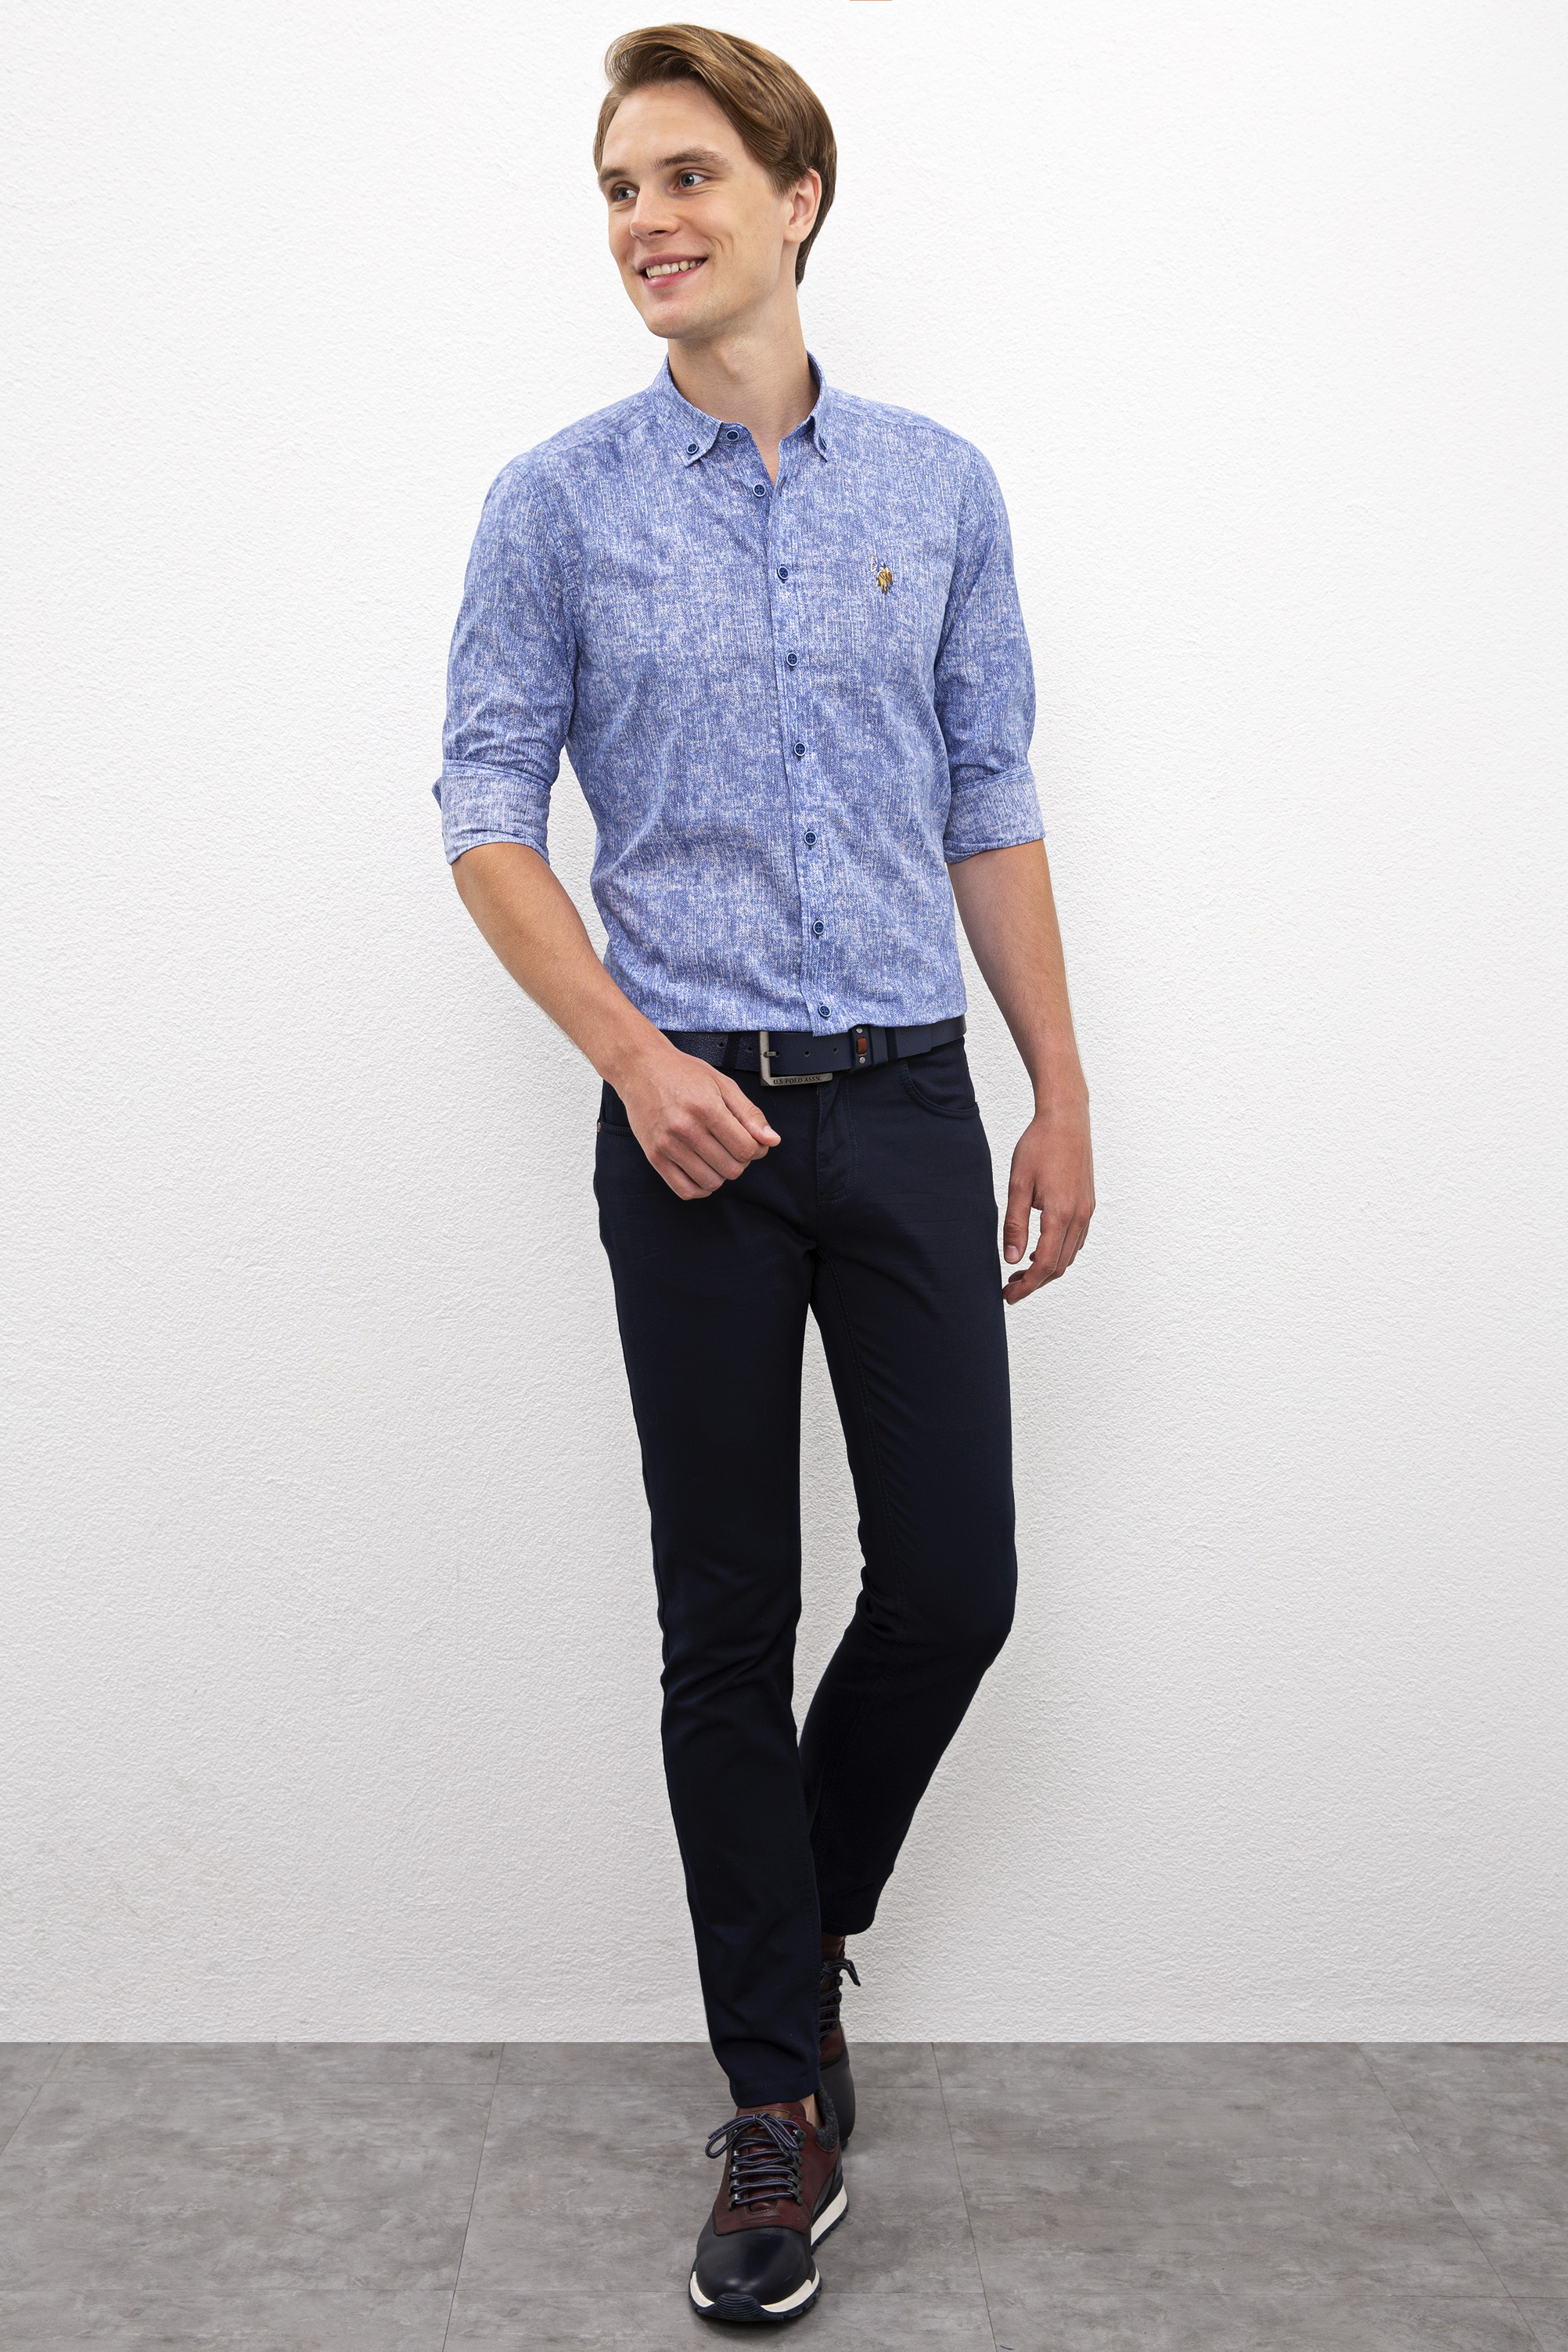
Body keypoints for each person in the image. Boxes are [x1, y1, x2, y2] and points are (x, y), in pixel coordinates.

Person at [433, 22, 1095, 2326]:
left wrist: (1059, 1087)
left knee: (954, 1585)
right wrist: (633, 1059)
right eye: (620, 187)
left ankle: (790, 1944)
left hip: (908, 1104)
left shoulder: (941, 485)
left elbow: (989, 794)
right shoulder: (555, 504)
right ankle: (775, 2105)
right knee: (722, 1618)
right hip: (688, 1126)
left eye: (690, 176)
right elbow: (484, 814)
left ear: (797, 198)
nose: (649, 221)